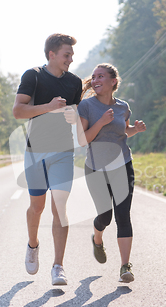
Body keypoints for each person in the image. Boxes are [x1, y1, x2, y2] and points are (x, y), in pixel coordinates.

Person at [12, 33, 82, 285]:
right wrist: (48, 107)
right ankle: (33, 245)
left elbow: (76, 118)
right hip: (35, 153)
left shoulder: (74, 82)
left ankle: (58, 266)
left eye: (72, 55)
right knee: (37, 207)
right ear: (52, 54)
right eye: (67, 54)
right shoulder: (33, 76)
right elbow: (18, 111)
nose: (71, 59)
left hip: (63, 152)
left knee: (59, 208)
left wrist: (74, 119)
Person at [77, 63, 146, 282]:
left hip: (123, 165)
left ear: (113, 81)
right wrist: (101, 122)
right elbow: (82, 139)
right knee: (105, 216)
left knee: (123, 215)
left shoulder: (123, 107)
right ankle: (97, 238)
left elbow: (123, 131)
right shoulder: (87, 106)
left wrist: (136, 129)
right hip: (96, 168)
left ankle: (125, 266)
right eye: (94, 77)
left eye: (101, 76)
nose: (95, 80)